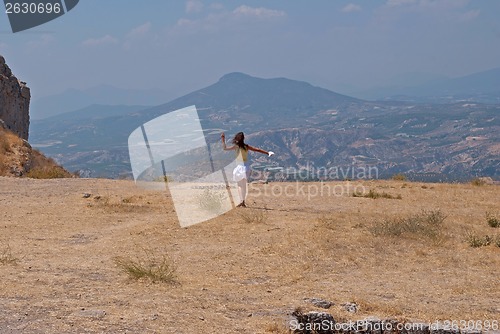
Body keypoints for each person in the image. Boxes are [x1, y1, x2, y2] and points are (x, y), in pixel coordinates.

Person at [221, 132, 274, 207]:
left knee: (240, 186)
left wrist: (223, 140)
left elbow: (225, 148)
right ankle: (243, 202)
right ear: (243, 139)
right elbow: (257, 150)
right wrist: (267, 152)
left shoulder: (236, 146)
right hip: (246, 167)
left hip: (239, 167)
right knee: (244, 186)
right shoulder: (246, 146)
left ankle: (241, 201)